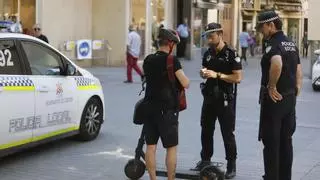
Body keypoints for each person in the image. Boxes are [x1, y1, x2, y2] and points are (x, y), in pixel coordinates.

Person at [256, 10, 303, 180]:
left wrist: (271, 86)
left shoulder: (273, 43)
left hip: (274, 101)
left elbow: (277, 63)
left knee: (271, 142)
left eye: (262, 27)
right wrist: (296, 89)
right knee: (286, 142)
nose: (261, 31)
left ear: (271, 25)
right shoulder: (291, 43)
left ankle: (272, 177)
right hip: (289, 99)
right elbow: (298, 69)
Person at [193, 22, 242, 179]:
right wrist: (204, 73)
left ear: (220, 35)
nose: (208, 39)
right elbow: (206, 70)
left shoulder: (231, 54)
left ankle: (231, 165)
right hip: (209, 98)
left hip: (225, 99)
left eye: (211, 36)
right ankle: (205, 161)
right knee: (206, 130)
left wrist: (217, 75)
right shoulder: (208, 53)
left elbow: (237, 77)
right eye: (207, 36)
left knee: (227, 133)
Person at [143, 28, 190, 180]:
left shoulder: (148, 59)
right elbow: (185, 82)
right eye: (174, 44)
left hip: (149, 108)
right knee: (171, 148)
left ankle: (153, 178)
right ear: (170, 44)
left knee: (150, 146)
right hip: (167, 111)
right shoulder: (171, 60)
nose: (175, 47)